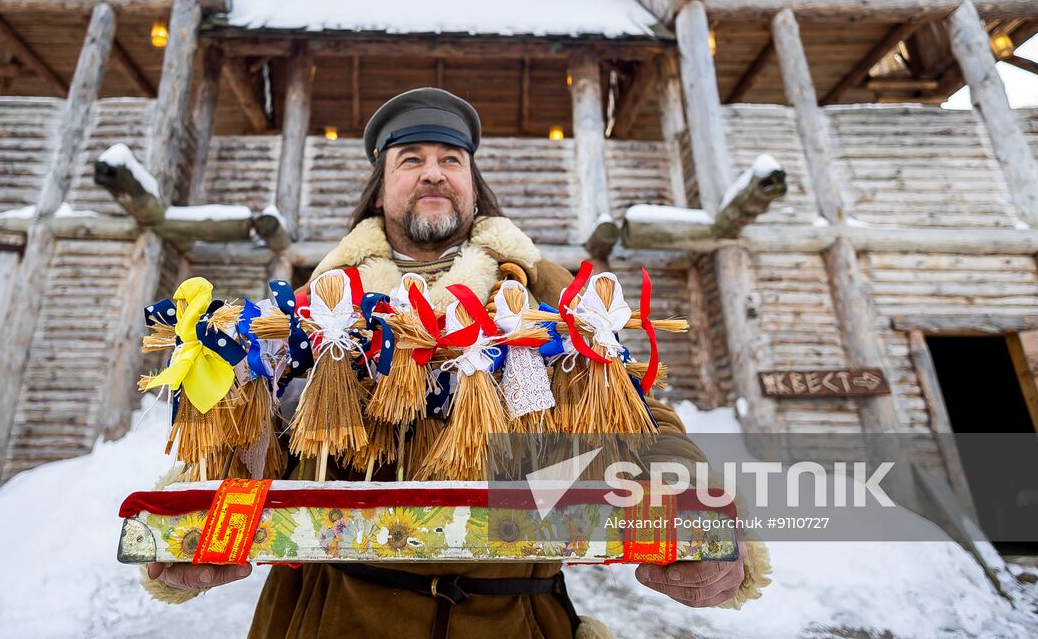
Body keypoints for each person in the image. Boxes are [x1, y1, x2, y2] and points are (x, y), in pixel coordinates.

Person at [143, 88, 771, 636]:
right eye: (410, 160)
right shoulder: (317, 307)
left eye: (451, 160)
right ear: (380, 187)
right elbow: (248, 436)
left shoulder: (551, 296)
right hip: (333, 615)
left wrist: (690, 502)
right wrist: (199, 521)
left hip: (513, 620)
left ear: (472, 183)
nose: (433, 173)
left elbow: (640, 417)